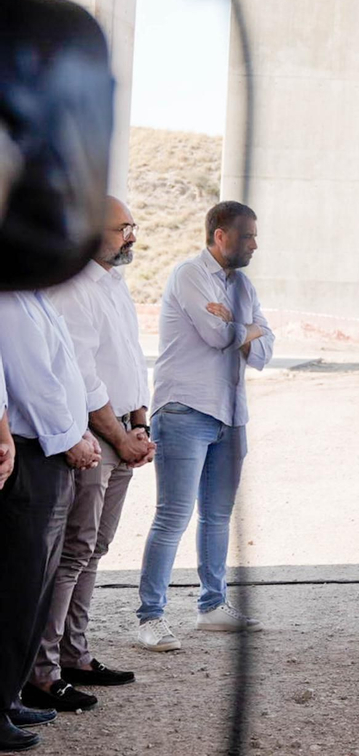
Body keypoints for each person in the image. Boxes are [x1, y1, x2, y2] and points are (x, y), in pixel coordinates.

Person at [25, 197, 155, 711]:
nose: (132, 237)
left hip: (123, 432)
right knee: (73, 553)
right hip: (95, 437)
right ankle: (43, 671)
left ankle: (76, 655)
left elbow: (129, 361)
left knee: (94, 551)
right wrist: (118, 437)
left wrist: (140, 423)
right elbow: (82, 375)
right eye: (122, 228)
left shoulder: (113, 285)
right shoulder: (75, 287)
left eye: (133, 227)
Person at [136, 201, 273, 652]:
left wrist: (238, 323)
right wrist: (243, 329)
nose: (255, 243)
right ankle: (150, 618)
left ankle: (212, 606)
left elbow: (266, 347)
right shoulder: (189, 275)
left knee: (217, 518)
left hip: (231, 415)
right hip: (184, 410)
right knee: (172, 517)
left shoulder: (243, 284)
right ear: (220, 235)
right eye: (247, 235)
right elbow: (219, 339)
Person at [0, 290, 102, 751]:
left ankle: (10, 694)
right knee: (17, 589)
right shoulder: (9, 300)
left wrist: (78, 429)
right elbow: (33, 382)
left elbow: (65, 375)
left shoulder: (33, 295)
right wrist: (70, 439)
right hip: (34, 452)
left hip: (51, 448)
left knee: (36, 589)